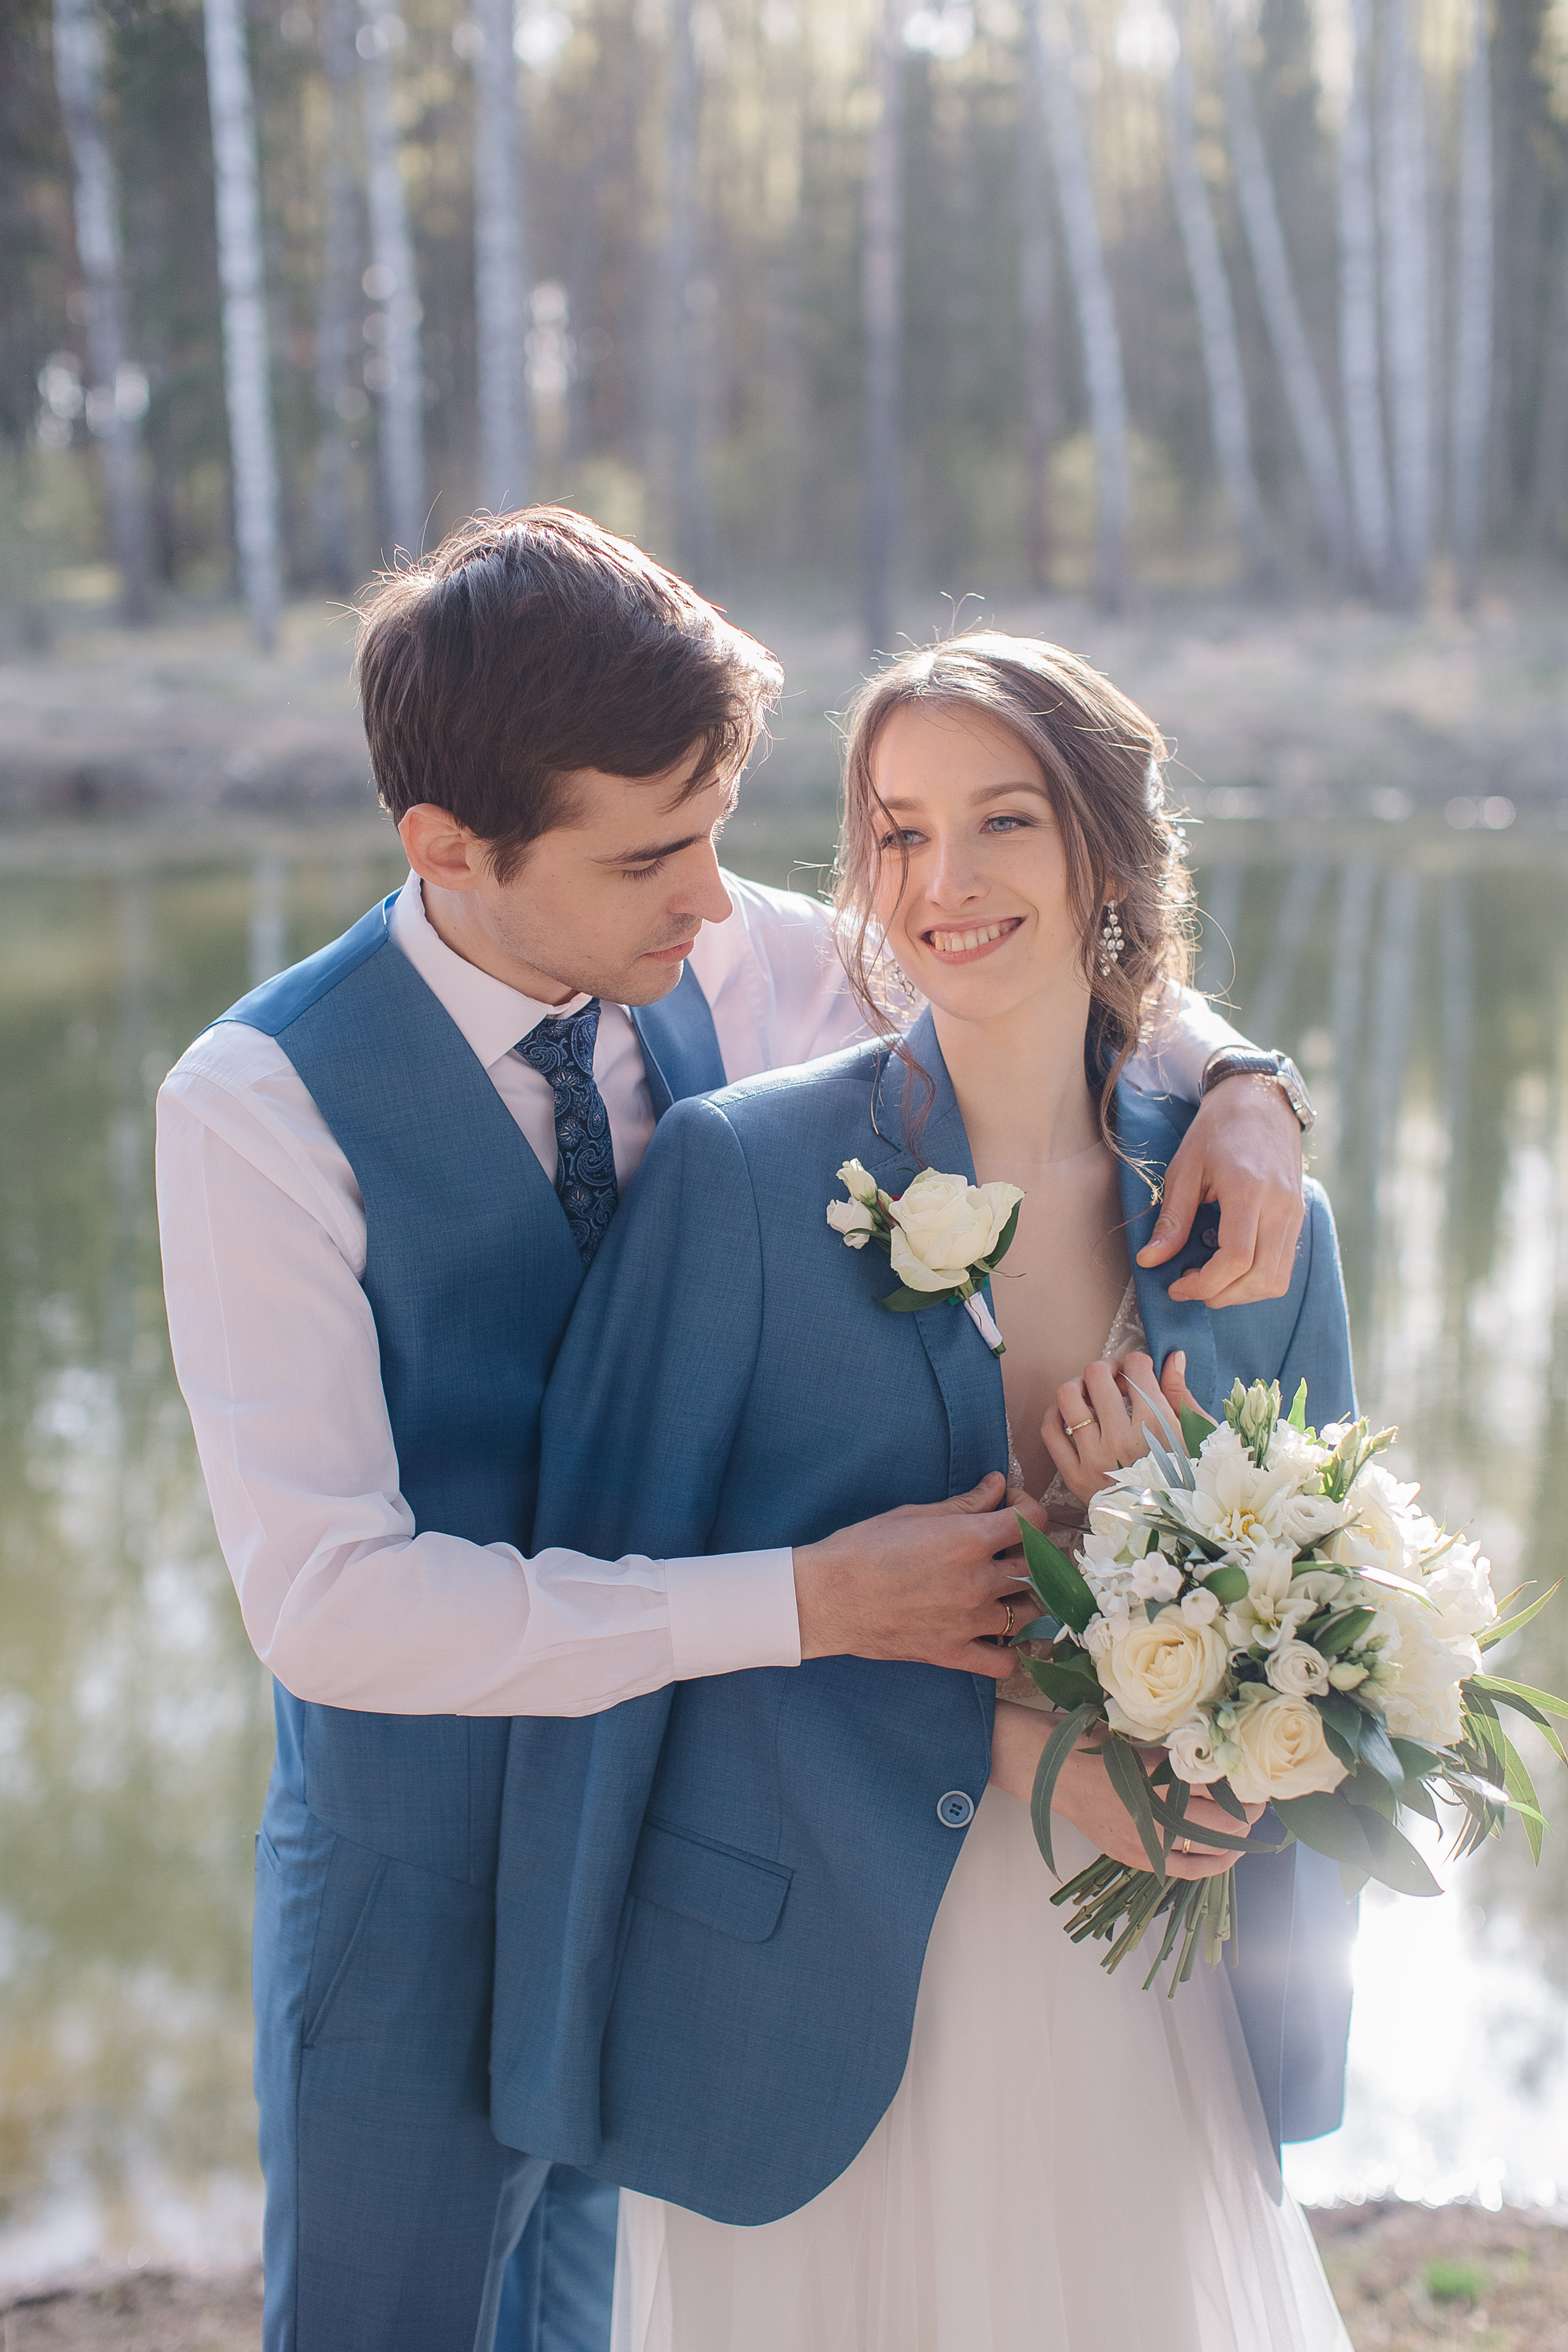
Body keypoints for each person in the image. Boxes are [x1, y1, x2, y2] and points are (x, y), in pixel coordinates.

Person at [155, 513, 1316, 2352]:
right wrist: (804, 1602)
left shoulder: (722, 955)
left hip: (703, 1848)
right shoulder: (255, 1111)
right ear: (452, 850)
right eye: (653, 859)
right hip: (428, 1875)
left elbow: (1027, 948)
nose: (718, 902)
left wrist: (1248, 1081)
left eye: (717, 831)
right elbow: (327, 1603)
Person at [522, 633, 1357, 2352]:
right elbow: (621, 1608)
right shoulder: (742, 1180)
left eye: (1004, 825)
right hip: (803, 1958)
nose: (943, 883)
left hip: (1143, 1985)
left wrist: (1221, 1760)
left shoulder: (1262, 1228)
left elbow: (1331, 1633)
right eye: (897, 832)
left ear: (1108, 861)